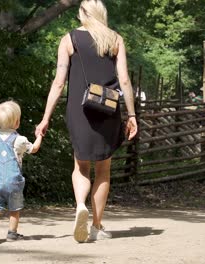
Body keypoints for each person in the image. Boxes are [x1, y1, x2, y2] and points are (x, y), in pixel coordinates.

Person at [35, 0, 137, 243]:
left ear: (82, 14)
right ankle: (97, 225)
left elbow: (59, 82)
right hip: (108, 110)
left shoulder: (68, 39)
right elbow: (124, 80)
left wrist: (45, 117)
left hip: (79, 110)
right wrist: (132, 115)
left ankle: (81, 205)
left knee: (80, 166)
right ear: (103, 14)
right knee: (103, 169)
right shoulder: (115, 39)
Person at [0, 101, 43, 244]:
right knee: (14, 208)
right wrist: (39, 136)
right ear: (16, 122)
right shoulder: (20, 140)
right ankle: (12, 233)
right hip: (13, 182)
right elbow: (33, 149)